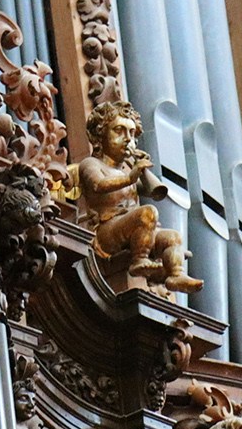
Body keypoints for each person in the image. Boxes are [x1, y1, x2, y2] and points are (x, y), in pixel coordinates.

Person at [73, 102, 203, 294]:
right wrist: (130, 177)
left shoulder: (127, 170)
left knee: (173, 237)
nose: (128, 139)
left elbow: (155, 192)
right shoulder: (91, 164)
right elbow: (98, 185)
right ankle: (139, 259)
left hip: (135, 231)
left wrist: (140, 169)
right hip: (106, 231)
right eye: (119, 131)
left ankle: (176, 274)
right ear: (100, 136)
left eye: (132, 133)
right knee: (148, 213)